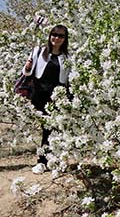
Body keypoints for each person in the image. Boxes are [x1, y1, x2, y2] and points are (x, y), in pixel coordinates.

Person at [22, 24, 70, 174]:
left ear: (65, 39)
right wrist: (28, 66)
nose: (56, 38)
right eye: (54, 35)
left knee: (53, 129)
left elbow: (68, 79)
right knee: (47, 128)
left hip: (57, 96)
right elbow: (28, 73)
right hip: (40, 95)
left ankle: (50, 160)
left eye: (60, 36)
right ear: (50, 36)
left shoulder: (66, 57)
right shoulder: (39, 51)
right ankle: (43, 162)